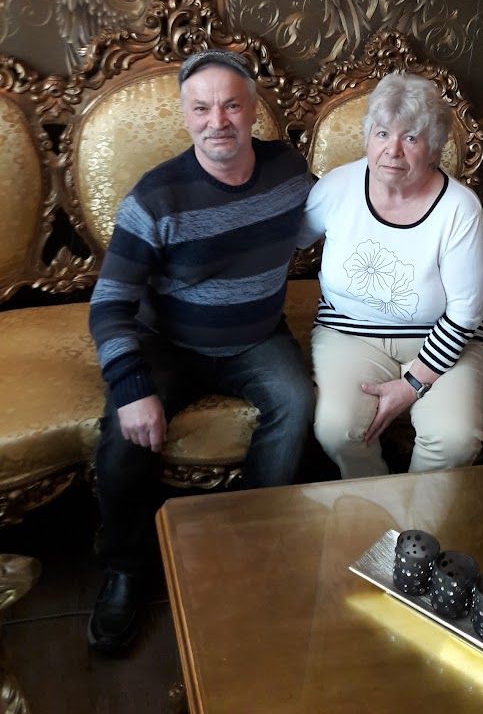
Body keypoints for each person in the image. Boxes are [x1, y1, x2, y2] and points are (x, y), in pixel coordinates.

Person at [87, 49, 315, 654]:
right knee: (123, 428)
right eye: (202, 107)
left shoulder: (291, 173)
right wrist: (134, 388)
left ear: (252, 111)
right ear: (185, 118)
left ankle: (250, 543)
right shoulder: (155, 198)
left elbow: (348, 210)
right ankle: (124, 569)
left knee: (295, 402)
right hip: (170, 341)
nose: (219, 120)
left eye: (232, 105)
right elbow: (109, 304)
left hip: (258, 336)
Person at [297, 73, 483, 479]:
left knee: (454, 438)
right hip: (349, 332)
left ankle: (414, 525)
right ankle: (376, 506)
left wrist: (413, 385)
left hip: (442, 337)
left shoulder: (460, 208)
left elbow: (465, 312)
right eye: (382, 133)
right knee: (338, 429)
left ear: (435, 148)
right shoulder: (337, 187)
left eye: (411, 138)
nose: (392, 150)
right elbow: (285, 241)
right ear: (368, 136)